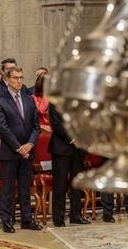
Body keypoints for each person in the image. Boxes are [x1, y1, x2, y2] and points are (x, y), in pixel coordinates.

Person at [29, 73, 90, 227]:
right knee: (60, 184)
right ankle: (58, 217)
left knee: (76, 184)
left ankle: (76, 214)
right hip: (62, 147)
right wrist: (73, 139)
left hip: (79, 149)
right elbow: (56, 124)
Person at [0, 67, 42, 233]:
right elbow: (3, 128)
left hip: (28, 151)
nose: (19, 81)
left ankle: (27, 220)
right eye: (15, 78)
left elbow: (36, 126)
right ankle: (6, 221)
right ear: (7, 80)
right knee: (8, 189)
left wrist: (29, 144)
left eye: (21, 78)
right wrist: (18, 147)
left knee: (24, 188)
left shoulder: (29, 99)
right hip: (9, 151)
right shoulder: (0, 100)